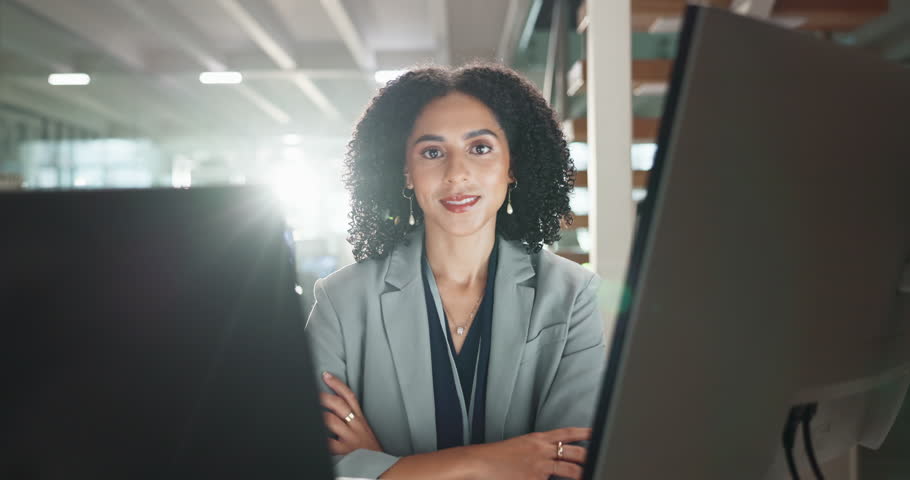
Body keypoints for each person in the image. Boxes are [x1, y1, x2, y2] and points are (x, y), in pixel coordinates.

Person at [305, 63, 606, 479]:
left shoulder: (574, 297)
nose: (456, 173)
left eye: (480, 148)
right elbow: (312, 467)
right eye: (432, 152)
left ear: (512, 164)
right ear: (406, 172)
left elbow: (570, 468)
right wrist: (492, 462)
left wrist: (387, 468)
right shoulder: (340, 301)